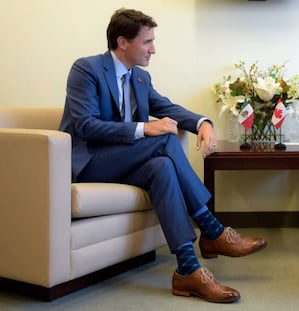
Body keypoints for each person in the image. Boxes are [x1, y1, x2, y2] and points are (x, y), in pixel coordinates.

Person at [59, 8, 266, 303]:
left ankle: (187, 270)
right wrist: (145, 128)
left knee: (162, 168)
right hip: (89, 162)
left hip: (123, 163)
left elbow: (168, 108)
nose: (153, 49)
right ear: (122, 42)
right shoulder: (86, 69)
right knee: (165, 141)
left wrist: (202, 123)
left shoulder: (140, 78)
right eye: (147, 42)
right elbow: (86, 125)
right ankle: (211, 228)